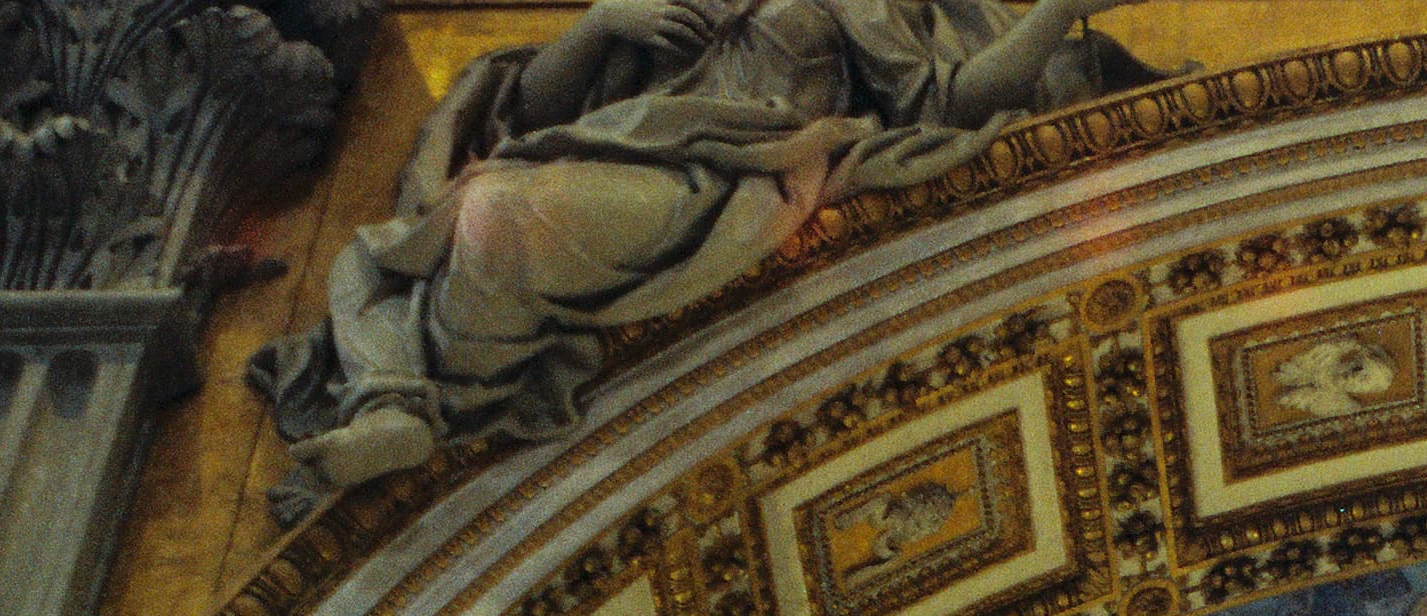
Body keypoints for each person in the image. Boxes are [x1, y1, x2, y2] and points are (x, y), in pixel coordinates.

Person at [251, 0, 1155, 515]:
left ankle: (449, 390)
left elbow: (944, 99)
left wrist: (1057, 11)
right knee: (366, 264)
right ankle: (397, 405)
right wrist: (605, 23)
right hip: (614, 146)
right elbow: (526, 107)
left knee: (490, 215)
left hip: (725, 173)